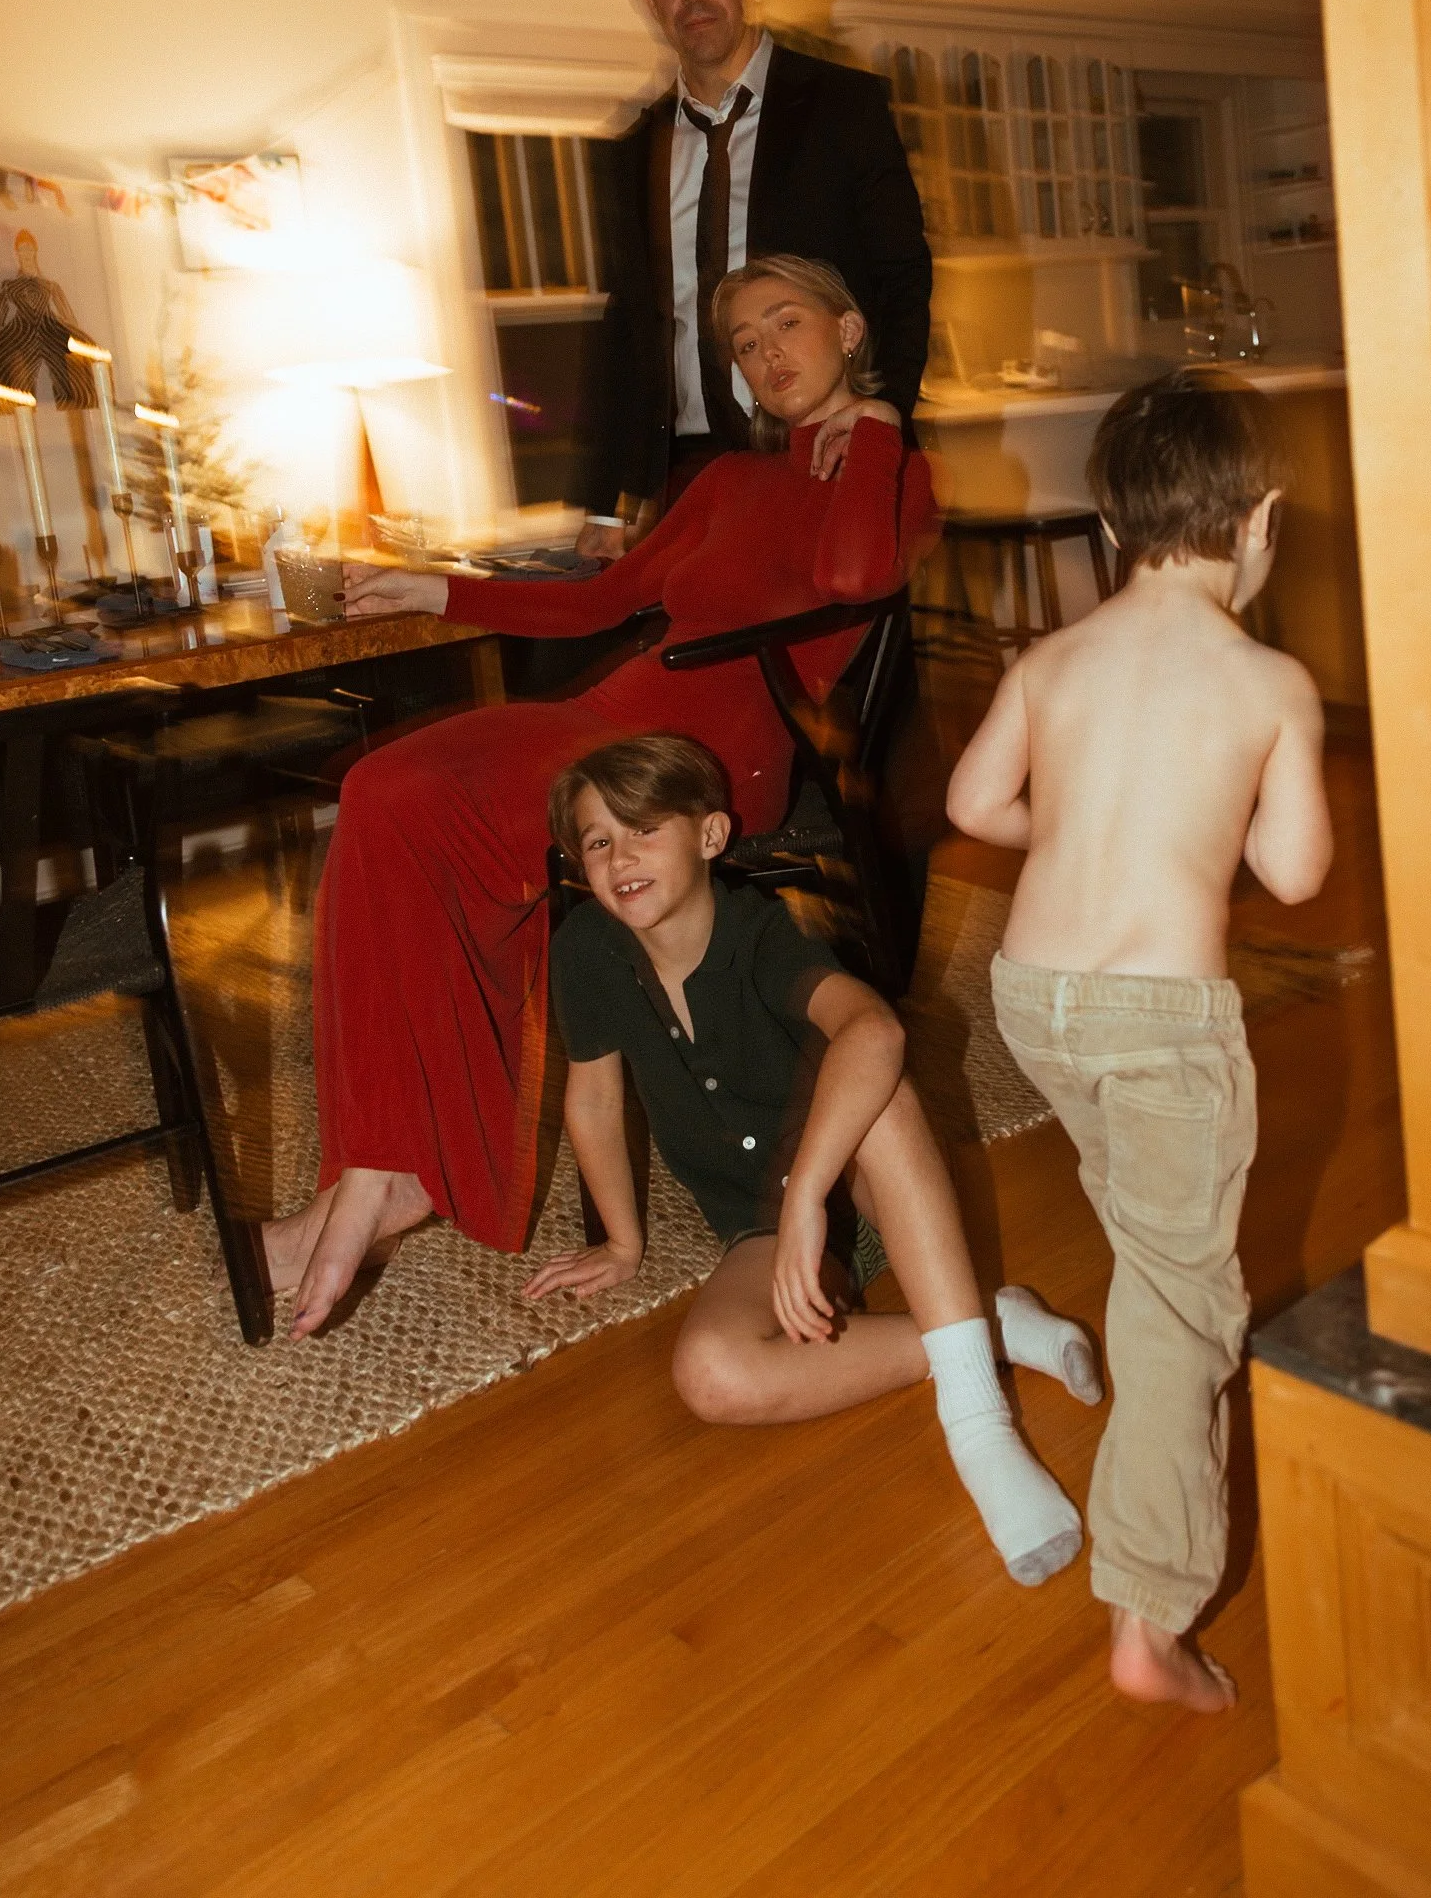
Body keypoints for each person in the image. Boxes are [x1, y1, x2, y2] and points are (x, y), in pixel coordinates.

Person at [264, 255, 938, 1340]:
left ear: (850, 328)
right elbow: (604, 602)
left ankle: (396, 1173)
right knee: (383, 789)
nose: (767, 355)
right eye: (745, 343)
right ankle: (380, 1167)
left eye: (787, 324)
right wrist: (435, 590)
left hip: (705, 757)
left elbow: (858, 575)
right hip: (610, 716)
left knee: (447, 822)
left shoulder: (895, 472)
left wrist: (877, 426)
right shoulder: (727, 478)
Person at [945, 369, 1333, 1711]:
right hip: (1161, 1022)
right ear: (1261, 519)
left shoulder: (1050, 661)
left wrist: (1066, 829)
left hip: (1035, 998)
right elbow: (1293, 872)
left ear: (1110, 526)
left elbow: (973, 801)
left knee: (1146, 1235)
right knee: (1183, 1305)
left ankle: (1144, 1320)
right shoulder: (1267, 680)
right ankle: (1148, 1613)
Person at [524, 732, 1100, 1587]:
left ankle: (977, 1423)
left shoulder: (763, 932)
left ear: (710, 836)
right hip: (759, 1222)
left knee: (881, 1093)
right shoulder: (586, 950)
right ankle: (985, 1329)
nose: (619, 857)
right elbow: (595, 1100)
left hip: (859, 1185)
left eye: (643, 829)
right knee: (711, 1376)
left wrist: (806, 1202)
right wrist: (621, 1242)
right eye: (597, 841)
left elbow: (876, 1031)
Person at [576, 0, 932, 557]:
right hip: (688, 475)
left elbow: (903, 276)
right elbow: (631, 325)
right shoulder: (633, 151)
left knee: (840, 629)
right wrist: (606, 499)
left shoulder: (843, 109)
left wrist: (882, 413)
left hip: (825, 454)